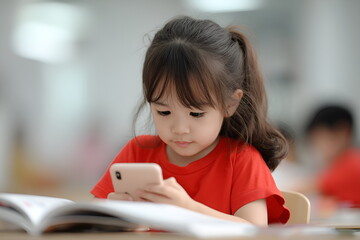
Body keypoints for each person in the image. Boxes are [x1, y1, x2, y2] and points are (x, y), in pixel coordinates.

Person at [91, 16, 290, 226]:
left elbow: (254, 231)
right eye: (163, 112)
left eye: (196, 114)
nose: (179, 129)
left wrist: (187, 208)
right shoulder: (137, 152)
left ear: (230, 103)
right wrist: (110, 212)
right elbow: (85, 219)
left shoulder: (242, 160)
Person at [305, 105, 360, 208]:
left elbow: (305, 189)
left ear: (343, 132)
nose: (317, 147)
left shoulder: (351, 163)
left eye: (320, 138)